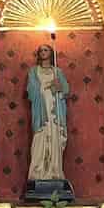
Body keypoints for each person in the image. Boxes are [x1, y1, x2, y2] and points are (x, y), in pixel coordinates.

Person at [24, 44, 73, 199]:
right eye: (41, 50)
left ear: (51, 53)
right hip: (41, 112)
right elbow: (31, 91)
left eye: (46, 50)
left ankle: (54, 172)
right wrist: (46, 86)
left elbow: (65, 90)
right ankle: (38, 172)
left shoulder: (57, 71)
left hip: (55, 112)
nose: (43, 52)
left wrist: (59, 88)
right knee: (40, 140)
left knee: (55, 141)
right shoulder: (33, 71)